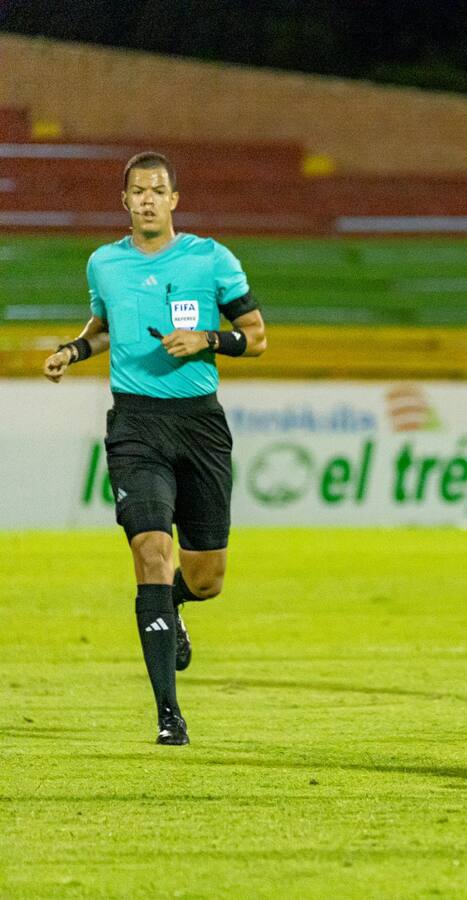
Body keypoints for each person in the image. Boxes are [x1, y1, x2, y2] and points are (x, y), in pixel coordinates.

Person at [42, 151, 267, 745]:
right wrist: (72, 350)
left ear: (174, 200)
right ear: (125, 201)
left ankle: (177, 605)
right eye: (137, 191)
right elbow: (104, 327)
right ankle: (169, 712)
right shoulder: (104, 264)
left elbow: (259, 337)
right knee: (150, 553)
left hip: (199, 425)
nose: (146, 199)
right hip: (135, 425)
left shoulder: (210, 258)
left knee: (208, 576)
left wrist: (208, 339)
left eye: (157, 190)